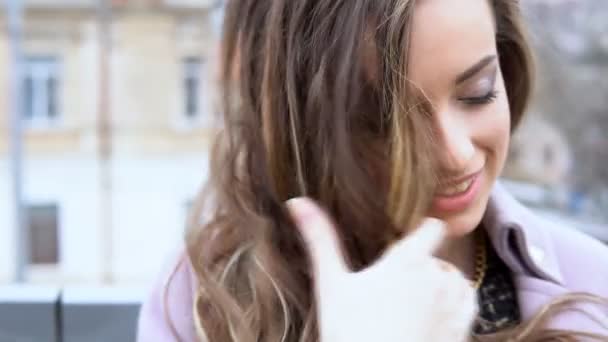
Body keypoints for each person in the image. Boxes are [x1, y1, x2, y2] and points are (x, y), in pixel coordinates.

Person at [137, 0, 608, 340]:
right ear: (301, 126)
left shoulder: (593, 281)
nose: (457, 155)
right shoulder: (200, 298)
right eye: (385, 122)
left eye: (478, 91)